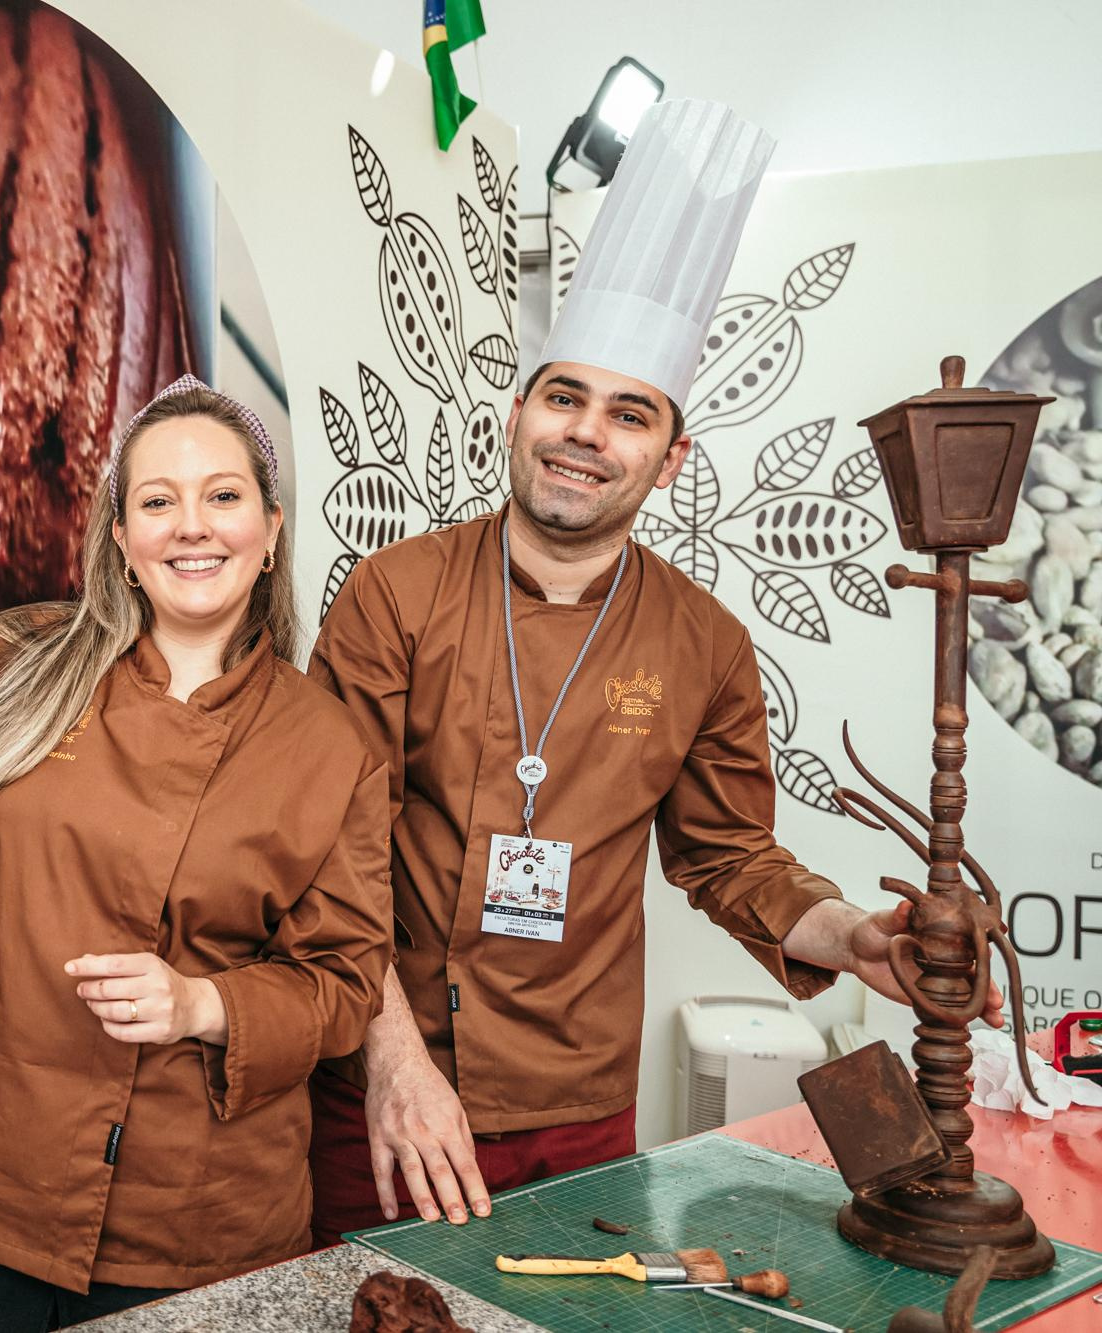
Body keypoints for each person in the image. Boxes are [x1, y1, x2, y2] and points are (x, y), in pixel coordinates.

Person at [304, 100, 1006, 1245]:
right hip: (384, 1084)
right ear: (518, 411)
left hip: (577, 1104)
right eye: (563, 396)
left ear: (669, 458)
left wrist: (845, 934)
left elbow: (726, 855)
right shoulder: (393, 593)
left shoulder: (704, 642)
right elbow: (329, 852)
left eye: (627, 414)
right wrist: (387, 1061)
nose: (586, 432)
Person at [0, 376, 393, 1330]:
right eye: (158, 501)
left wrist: (202, 1002)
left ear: (270, 530)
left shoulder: (330, 746)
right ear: (124, 544)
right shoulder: (24, 658)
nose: (193, 526)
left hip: (190, 1215)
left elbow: (343, 982)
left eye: (222, 496)